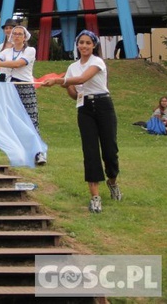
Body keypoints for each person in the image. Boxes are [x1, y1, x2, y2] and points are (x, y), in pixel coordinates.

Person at [42, 30, 122, 214]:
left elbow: (83, 78)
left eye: (88, 43)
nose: (84, 46)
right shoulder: (72, 67)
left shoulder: (97, 62)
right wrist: (65, 85)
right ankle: (95, 196)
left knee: (110, 150)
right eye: (81, 42)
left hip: (103, 105)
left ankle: (112, 181)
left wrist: (58, 80)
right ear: (77, 45)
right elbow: (75, 93)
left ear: (93, 45)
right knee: (90, 150)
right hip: (84, 108)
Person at [0, 25, 46, 165]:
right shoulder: (6, 51)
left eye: (20, 34)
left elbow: (18, 64)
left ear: (25, 37)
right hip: (9, 88)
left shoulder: (30, 50)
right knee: (11, 121)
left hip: (24, 87)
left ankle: (39, 153)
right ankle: (19, 152)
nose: (17, 36)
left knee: (31, 120)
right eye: (15, 34)